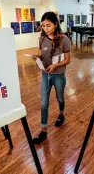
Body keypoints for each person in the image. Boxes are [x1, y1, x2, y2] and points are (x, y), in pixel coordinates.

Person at [32, 12, 71, 144]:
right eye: (43, 26)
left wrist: (55, 66)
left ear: (55, 24)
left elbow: (67, 60)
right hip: (45, 74)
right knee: (43, 103)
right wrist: (37, 58)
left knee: (60, 98)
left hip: (58, 75)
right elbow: (41, 54)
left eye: (48, 25)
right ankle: (43, 130)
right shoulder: (42, 38)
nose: (45, 28)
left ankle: (61, 114)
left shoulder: (64, 39)